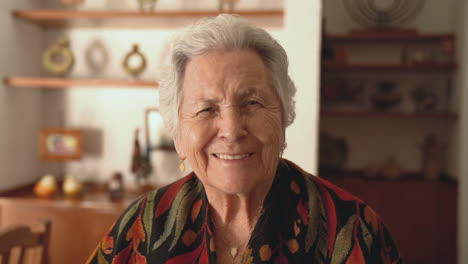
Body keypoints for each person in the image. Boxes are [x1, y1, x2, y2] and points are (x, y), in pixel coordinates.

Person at [86, 14, 402, 264]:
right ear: (178, 134)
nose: (232, 129)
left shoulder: (353, 229)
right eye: (206, 109)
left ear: (284, 114)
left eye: (251, 103)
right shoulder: (143, 227)